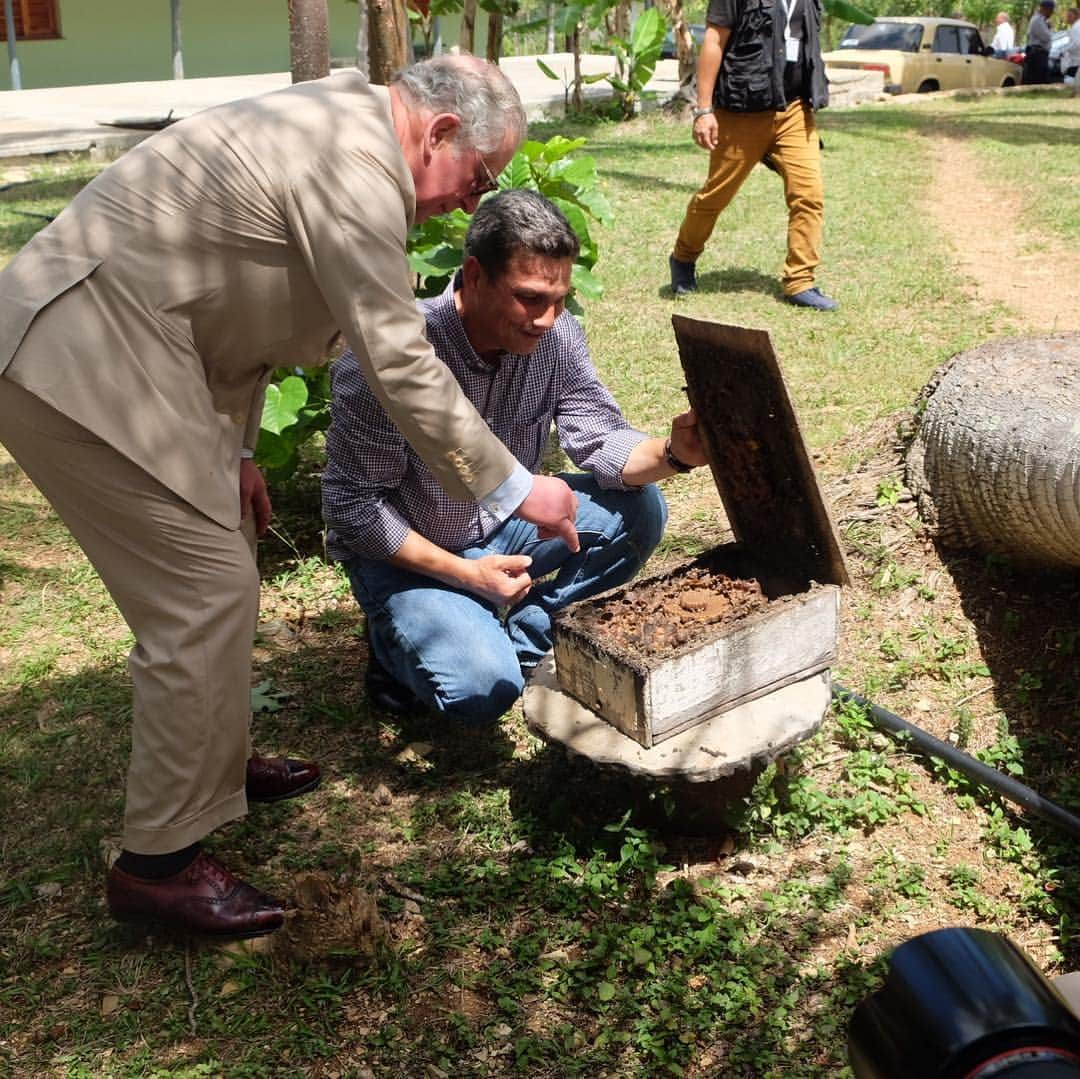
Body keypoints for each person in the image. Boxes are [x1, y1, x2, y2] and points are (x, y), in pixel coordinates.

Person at [0, 56, 582, 939]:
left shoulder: (345, 134)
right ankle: (158, 867)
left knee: (227, 557)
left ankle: (216, 768)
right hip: (79, 356)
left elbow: (236, 318)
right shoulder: (354, 158)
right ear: (440, 133)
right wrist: (511, 481)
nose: (474, 204)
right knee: (201, 596)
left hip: (144, 353)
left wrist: (233, 446)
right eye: (480, 178)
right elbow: (394, 355)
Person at [323, 189, 709, 723]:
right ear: (475, 275)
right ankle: (396, 650)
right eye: (530, 298)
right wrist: (464, 574)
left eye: (559, 300)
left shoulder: (556, 339)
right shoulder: (390, 357)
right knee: (479, 690)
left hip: (505, 529)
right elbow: (352, 510)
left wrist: (675, 454)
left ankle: (526, 643)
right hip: (412, 558)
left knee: (641, 509)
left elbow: (598, 437)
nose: (547, 319)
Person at [667, 0, 837, 311]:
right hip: (742, 109)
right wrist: (703, 109)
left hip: (794, 109)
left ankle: (800, 280)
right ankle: (683, 257)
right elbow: (715, 40)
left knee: (808, 194)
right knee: (716, 195)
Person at [1023, 0, 1056, 83]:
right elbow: (1046, 38)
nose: (1052, 13)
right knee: (1037, 80)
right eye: (1051, 10)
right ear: (1046, 9)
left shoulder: (1041, 20)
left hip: (1039, 54)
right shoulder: (1038, 20)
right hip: (1037, 55)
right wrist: (1050, 29)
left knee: (1040, 80)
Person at [1062, 7, 1080, 83]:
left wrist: (1065, 49)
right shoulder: (1076, 26)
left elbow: (1077, 44)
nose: (1068, 18)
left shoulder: (1076, 27)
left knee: (1070, 81)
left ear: (1076, 16)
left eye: (1070, 16)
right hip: (1075, 60)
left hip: (1075, 61)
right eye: (1067, 16)